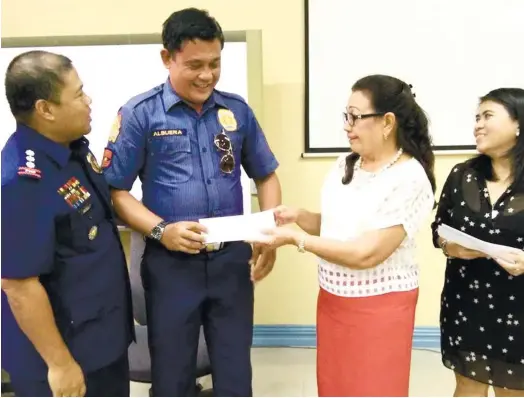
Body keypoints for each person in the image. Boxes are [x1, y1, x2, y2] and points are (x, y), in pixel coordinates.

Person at [102, 7, 281, 397]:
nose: (207, 75)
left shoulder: (236, 110)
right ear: (167, 58)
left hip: (231, 261)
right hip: (171, 265)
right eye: (195, 65)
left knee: (235, 375)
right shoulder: (140, 114)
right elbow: (115, 191)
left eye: (215, 63)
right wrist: (161, 230)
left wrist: (267, 232)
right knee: (172, 376)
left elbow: (265, 174)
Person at [251, 75, 435, 396]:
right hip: (334, 300)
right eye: (345, 116)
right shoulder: (344, 166)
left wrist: (296, 239)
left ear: (387, 122)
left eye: (356, 117)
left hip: (381, 307)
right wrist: (299, 217)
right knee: (336, 385)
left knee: (374, 387)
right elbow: (338, 229)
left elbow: (367, 253)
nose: (347, 126)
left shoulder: (409, 177)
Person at [1, 51, 134, 397]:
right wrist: (60, 364)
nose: (88, 100)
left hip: (102, 339)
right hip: (64, 356)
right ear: (45, 109)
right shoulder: (21, 181)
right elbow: (18, 285)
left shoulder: (73, 150)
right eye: (78, 94)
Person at [431, 88, 524, 396]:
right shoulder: (462, 175)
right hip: (466, 301)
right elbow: (439, 229)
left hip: (518, 307)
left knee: (513, 389)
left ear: (518, 124)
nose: (477, 125)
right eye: (476, 118)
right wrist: (450, 247)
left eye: (488, 116)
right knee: (468, 386)